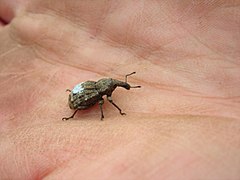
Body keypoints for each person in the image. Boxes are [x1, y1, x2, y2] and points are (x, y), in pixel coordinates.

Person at [0, 0, 239, 179]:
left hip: (84, 90)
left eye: (117, 84)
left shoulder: (103, 85)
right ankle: (72, 116)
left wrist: (126, 84)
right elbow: (102, 99)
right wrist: (112, 111)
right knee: (90, 104)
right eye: (116, 84)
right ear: (106, 86)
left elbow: (113, 87)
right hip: (79, 98)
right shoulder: (99, 93)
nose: (116, 86)